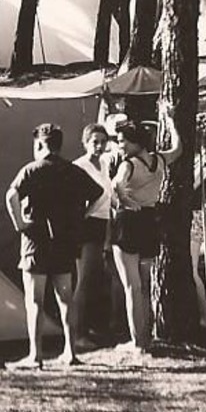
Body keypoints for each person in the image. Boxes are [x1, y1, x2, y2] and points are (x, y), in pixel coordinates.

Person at [4, 122, 104, 369]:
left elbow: (11, 195)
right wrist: (81, 216)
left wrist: (20, 223)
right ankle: (70, 353)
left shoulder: (31, 169)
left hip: (36, 241)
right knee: (65, 298)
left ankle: (35, 356)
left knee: (35, 300)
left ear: (39, 144)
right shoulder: (72, 171)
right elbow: (99, 193)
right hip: (65, 240)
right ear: (59, 146)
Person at [109, 99, 182, 351]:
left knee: (132, 287)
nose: (120, 146)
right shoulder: (159, 161)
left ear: (135, 142)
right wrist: (171, 120)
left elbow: (115, 185)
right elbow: (178, 148)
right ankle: (148, 337)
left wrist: (127, 201)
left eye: (123, 142)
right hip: (150, 222)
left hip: (129, 223)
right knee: (146, 285)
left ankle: (137, 342)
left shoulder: (128, 164)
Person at [73, 123, 121, 344]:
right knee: (85, 279)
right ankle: (78, 333)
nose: (100, 147)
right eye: (95, 142)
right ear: (85, 143)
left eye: (103, 142)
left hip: (106, 224)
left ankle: (103, 327)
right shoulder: (79, 166)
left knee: (101, 279)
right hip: (88, 226)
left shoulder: (103, 164)